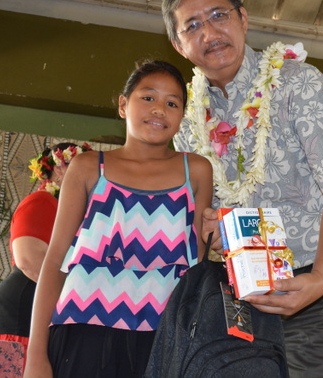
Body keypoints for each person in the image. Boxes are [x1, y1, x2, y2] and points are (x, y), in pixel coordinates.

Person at [162, 0, 323, 378]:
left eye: (219, 15)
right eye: (193, 25)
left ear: (243, 18)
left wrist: (320, 279)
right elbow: (201, 214)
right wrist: (210, 226)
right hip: (240, 294)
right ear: (178, 44)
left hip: (316, 287)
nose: (210, 32)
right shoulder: (186, 119)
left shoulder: (298, 83)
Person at [23, 60, 213, 378]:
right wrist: (36, 355)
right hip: (82, 331)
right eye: (148, 97)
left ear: (182, 116)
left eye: (172, 103)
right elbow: (55, 260)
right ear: (124, 105)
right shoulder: (86, 167)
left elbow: (198, 262)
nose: (159, 109)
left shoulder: (196, 170)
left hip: (164, 337)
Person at [0, 142, 91, 362]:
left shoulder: (72, 213)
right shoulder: (42, 200)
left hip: (41, 310)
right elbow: (29, 261)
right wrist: (77, 301)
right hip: (20, 310)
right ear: (59, 168)